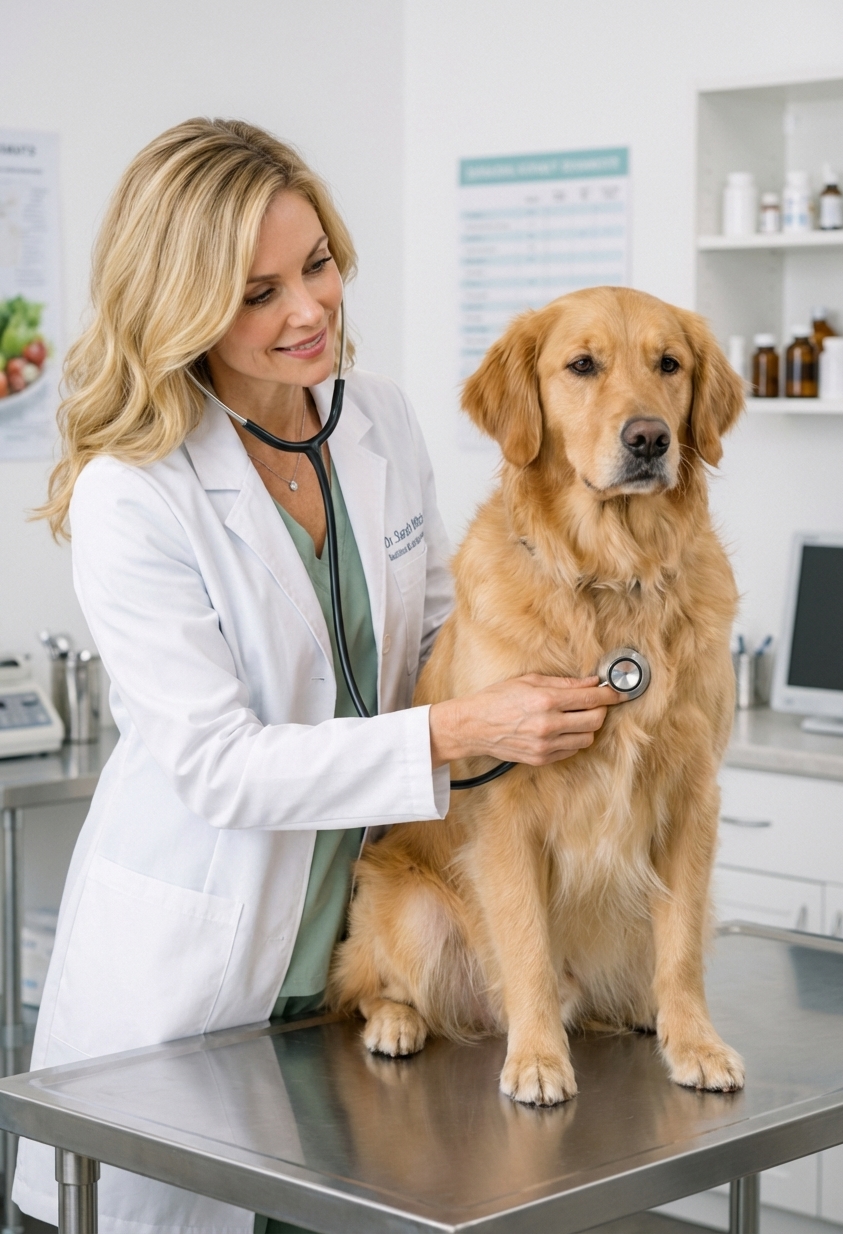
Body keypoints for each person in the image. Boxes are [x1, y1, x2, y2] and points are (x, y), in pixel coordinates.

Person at [14, 119, 619, 1234]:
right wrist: (458, 730)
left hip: (366, 956)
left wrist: (567, 646)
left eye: (319, 265)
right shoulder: (134, 490)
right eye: (257, 293)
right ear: (180, 306)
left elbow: (445, 625)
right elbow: (220, 768)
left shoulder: (376, 416)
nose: (308, 310)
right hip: (205, 971)